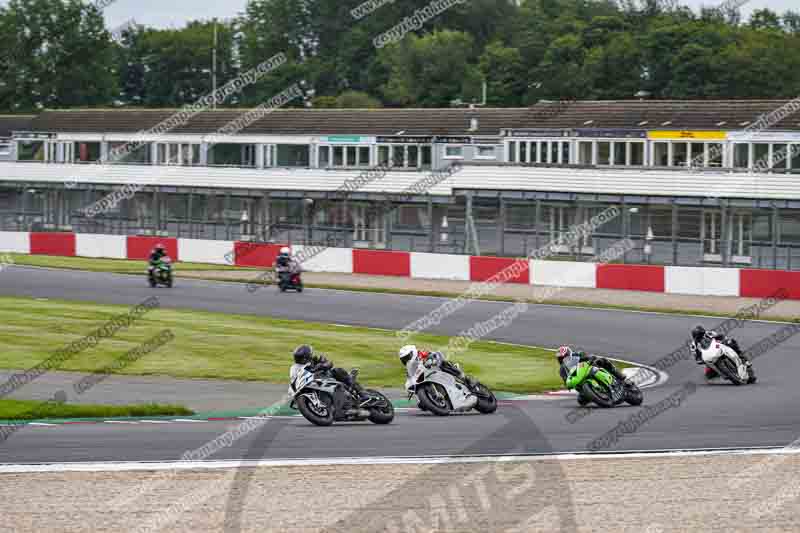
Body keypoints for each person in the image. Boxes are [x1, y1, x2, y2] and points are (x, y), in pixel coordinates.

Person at [290, 344, 368, 401]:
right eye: (297, 357)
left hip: (326, 378)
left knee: (337, 370)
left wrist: (321, 366)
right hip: (313, 384)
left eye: (301, 358)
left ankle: (361, 392)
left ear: (308, 356)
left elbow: (329, 363)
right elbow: (294, 379)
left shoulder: (316, 359)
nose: (299, 360)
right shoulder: (294, 368)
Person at [556, 346, 629, 388]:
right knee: (581, 401)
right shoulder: (562, 370)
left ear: (570, 354)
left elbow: (589, 356)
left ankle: (620, 376)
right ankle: (598, 394)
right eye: (561, 359)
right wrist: (568, 385)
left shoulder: (578, 354)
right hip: (580, 382)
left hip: (590, 369)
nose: (563, 360)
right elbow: (566, 381)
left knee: (603, 360)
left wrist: (591, 359)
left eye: (564, 357)